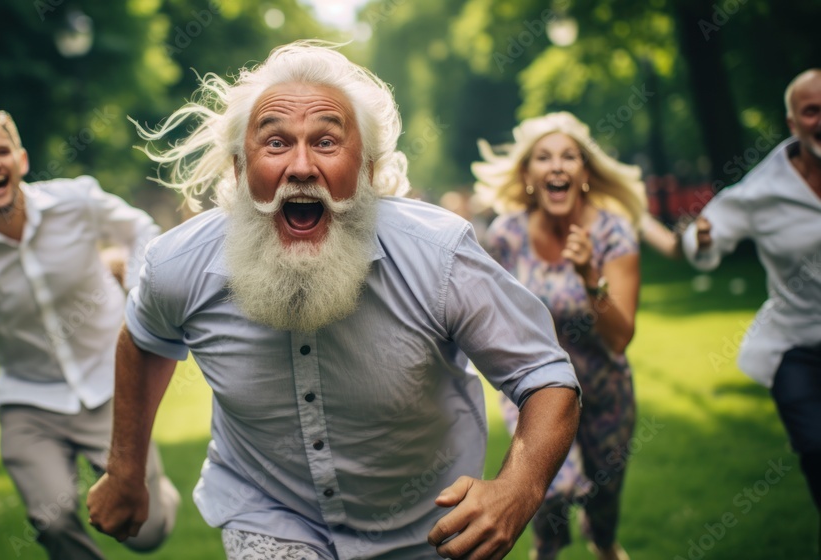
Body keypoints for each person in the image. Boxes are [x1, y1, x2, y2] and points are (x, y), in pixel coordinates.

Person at [86, 41, 581, 560]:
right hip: (266, 512)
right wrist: (125, 470)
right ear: (238, 169)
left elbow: (545, 376)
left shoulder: (439, 257)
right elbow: (144, 340)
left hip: (430, 527)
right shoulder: (177, 264)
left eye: (326, 141)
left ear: (366, 170)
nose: (301, 166)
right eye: (275, 143)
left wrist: (516, 489)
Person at [0, 109, 179, 560]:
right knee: (52, 519)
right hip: (29, 405)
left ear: (21, 160)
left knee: (145, 534)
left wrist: (136, 289)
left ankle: (161, 492)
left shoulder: (77, 199)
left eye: (0, 151)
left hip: (110, 385)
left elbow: (141, 229)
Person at [473, 112, 646, 560]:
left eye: (569, 157)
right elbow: (494, 319)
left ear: (584, 174)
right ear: (528, 175)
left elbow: (620, 336)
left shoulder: (612, 232)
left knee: (604, 509)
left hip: (605, 393)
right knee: (548, 493)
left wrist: (591, 276)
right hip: (533, 391)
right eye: (543, 157)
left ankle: (606, 546)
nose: (556, 166)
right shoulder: (507, 235)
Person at [682, 69, 821, 529]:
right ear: (793, 123)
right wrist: (700, 240)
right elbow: (709, 233)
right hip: (796, 348)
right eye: (812, 110)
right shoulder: (764, 191)